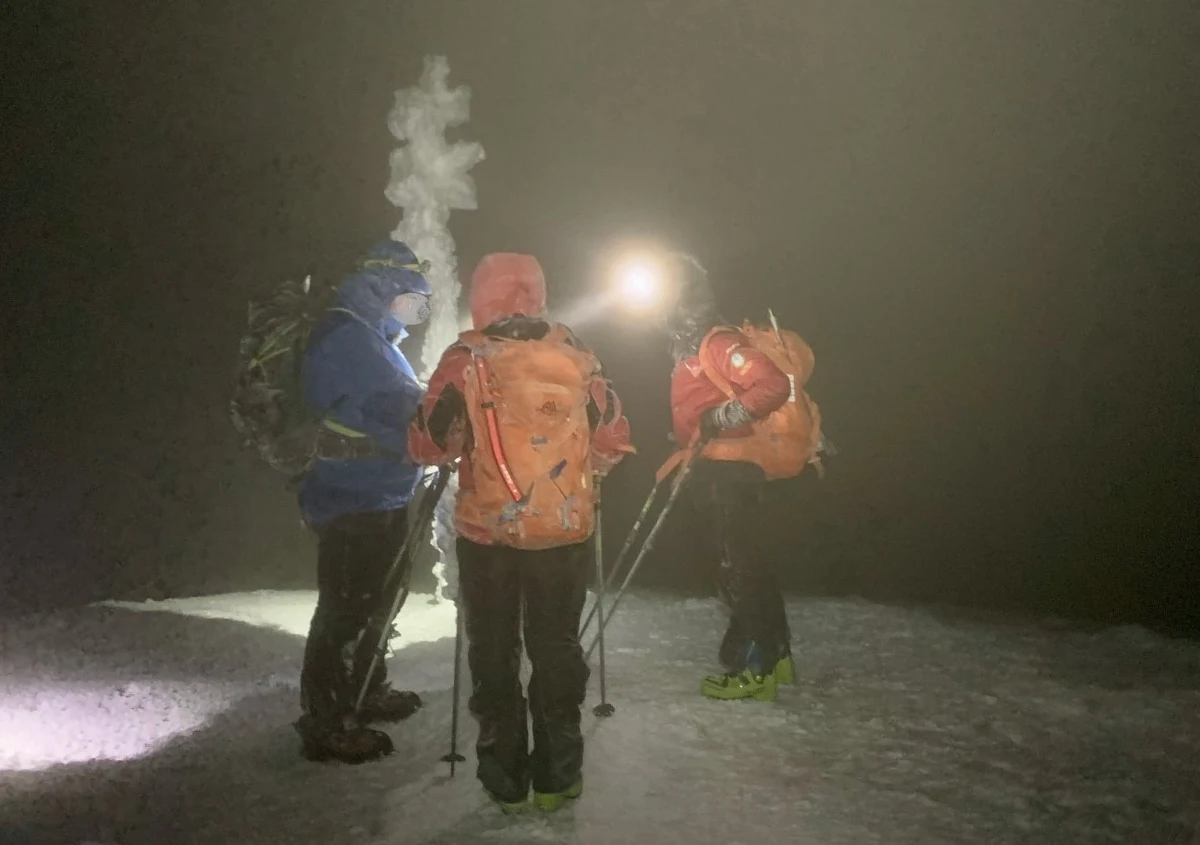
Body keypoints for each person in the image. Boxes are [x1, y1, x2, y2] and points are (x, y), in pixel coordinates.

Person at [408, 252, 633, 812]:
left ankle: (505, 779)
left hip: (487, 536)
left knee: (494, 648)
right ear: (538, 293)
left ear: (482, 296)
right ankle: (559, 778)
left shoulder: (465, 358)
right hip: (563, 530)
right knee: (556, 645)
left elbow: (428, 444)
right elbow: (613, 439)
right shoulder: (578, 356)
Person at [292, 238, 433, 763]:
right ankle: (325, 720)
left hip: (382, 492)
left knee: (378, 601)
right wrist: (446, 410)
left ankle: (365, 687)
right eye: (413, 296)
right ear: (385, 288)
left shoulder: (373, 336)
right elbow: (396, 407)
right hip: (351, 497)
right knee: (345, 609)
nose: (419, 308)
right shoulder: (346, 337)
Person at [659, 252, 822, 702]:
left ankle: (754, 668)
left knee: (738, 571)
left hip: (730, 470)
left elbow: (772, 385)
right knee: (750, 566)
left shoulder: (715, 340)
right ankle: (777, 654)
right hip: (719, 467)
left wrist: (721, 416)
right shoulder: (689, 347)